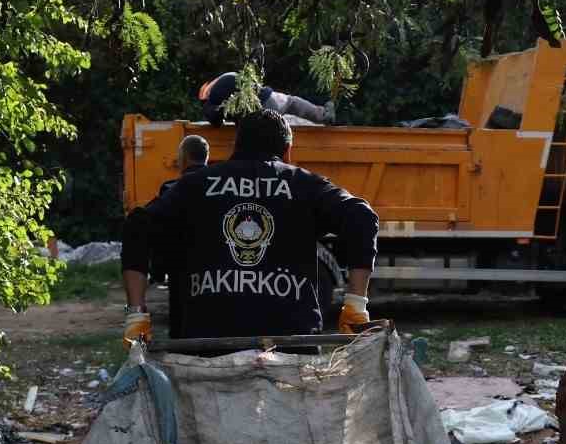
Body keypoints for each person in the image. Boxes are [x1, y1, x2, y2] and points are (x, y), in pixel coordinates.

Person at [120, 109, 376, 347]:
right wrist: (355, 305)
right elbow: (362, 217)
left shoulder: (194, 185)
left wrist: (136, 315)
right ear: (287, 152)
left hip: (208, 345)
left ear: (236, 146)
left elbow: (137, 225)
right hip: (290, 345)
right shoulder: (304, 184)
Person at [156, 135, 209, 338]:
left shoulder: (171, 189)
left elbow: (161, 231)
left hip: (181, 266)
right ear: (206, 157)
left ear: (183, 158)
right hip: (215, 266)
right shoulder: (221, 186)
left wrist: (159, 268)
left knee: (180, 321)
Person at [198, 73, 334, 127]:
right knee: (292, 102)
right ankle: (323, 115)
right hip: (269, 102)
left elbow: (214, 118)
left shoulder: (213, 95)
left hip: (258, 111)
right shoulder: (226, 79)